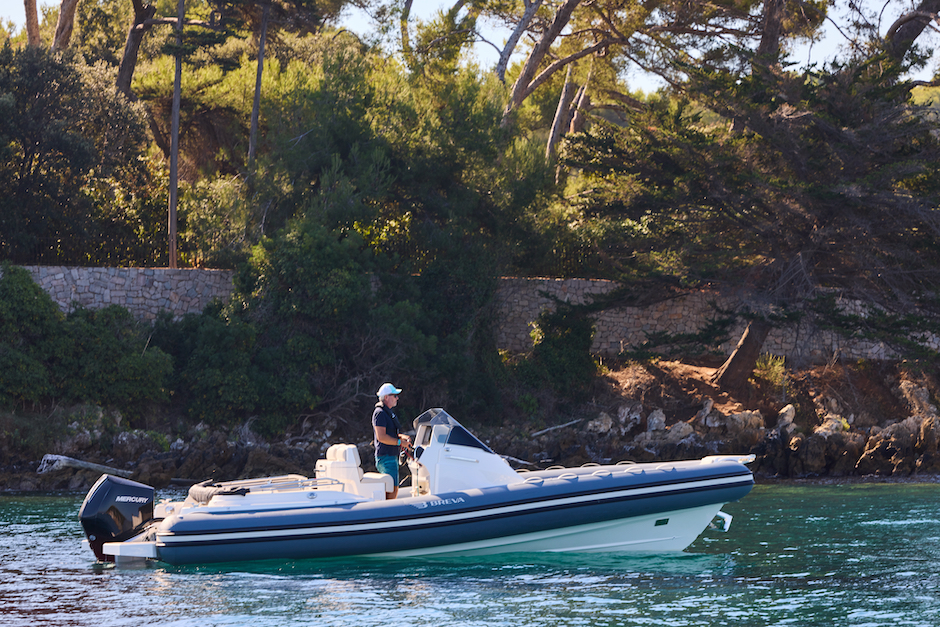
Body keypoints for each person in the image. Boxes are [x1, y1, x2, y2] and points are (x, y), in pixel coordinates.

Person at [372, 382, 411, 499]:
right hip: (386, 457)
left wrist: (401, 437)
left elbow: (390, 433)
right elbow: (382, 437)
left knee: (393, 488)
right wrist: (400, 443)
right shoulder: (380, 413)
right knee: (392, 490)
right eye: (394, 395)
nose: (397, 398)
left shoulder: (387, 413)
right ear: (386, 397)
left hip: (390, 456)